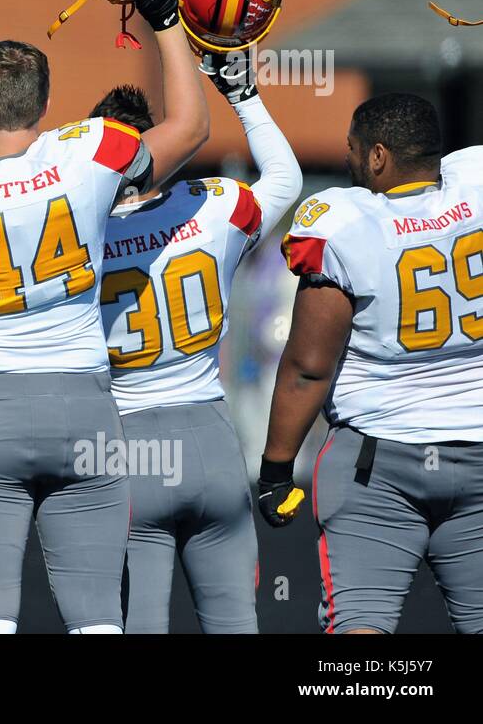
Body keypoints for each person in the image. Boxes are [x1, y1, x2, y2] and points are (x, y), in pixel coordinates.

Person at [0, 0, 209, 634]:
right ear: (45, 104)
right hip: (85, 411)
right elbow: (191, 126)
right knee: (99, 620)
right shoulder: (90, 151)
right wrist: (164, 18)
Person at [92, 58, 301, 633]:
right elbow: (286, 178)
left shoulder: (77, 237)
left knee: (139, 625)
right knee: (235, 622)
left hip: (126, 444)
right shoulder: (213, 208)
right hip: (211, 438)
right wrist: (243, 93)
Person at [264, 93, 483, 634]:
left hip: (377, 459)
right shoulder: (474, 180)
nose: (349, 159)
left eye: (355, 150)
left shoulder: (343, 222)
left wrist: (275, 466)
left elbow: (308, 367)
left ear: (379, 156)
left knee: (361, 628)